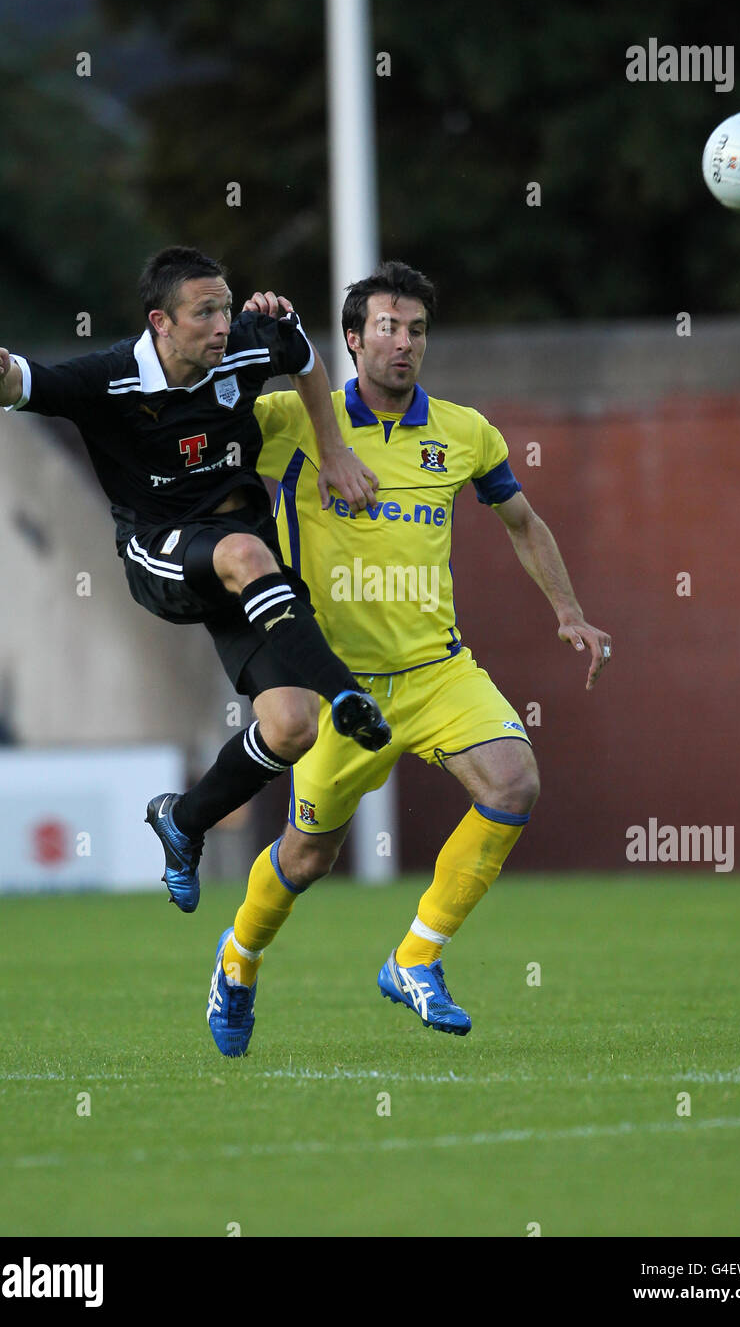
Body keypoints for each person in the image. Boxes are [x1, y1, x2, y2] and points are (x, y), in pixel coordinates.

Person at [203, 260, 612, 1056]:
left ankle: (416, 957)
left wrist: (570, 612)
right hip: (334, 689)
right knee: (308, 856)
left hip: (436, 672)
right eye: (386, 327)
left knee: (515, 782)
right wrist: (254, 328)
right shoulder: (289, 419)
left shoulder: (464, 432)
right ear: (351, 341)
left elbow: (523, 523)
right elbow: (203, 399)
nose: (403, 343)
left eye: (417, 329)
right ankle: (239, 956)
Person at [0, 246, 392, 913]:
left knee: (290, 728)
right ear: (161, 323)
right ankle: (348, 695)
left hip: (237, 565)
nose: (223, 324)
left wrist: (333, 450)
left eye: (226, 308)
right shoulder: (112, 378)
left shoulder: (248, 345)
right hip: (159, 556)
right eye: (204, 313)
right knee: (250, 555)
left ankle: (183, 820)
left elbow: (301, 352)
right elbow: (26, 384)